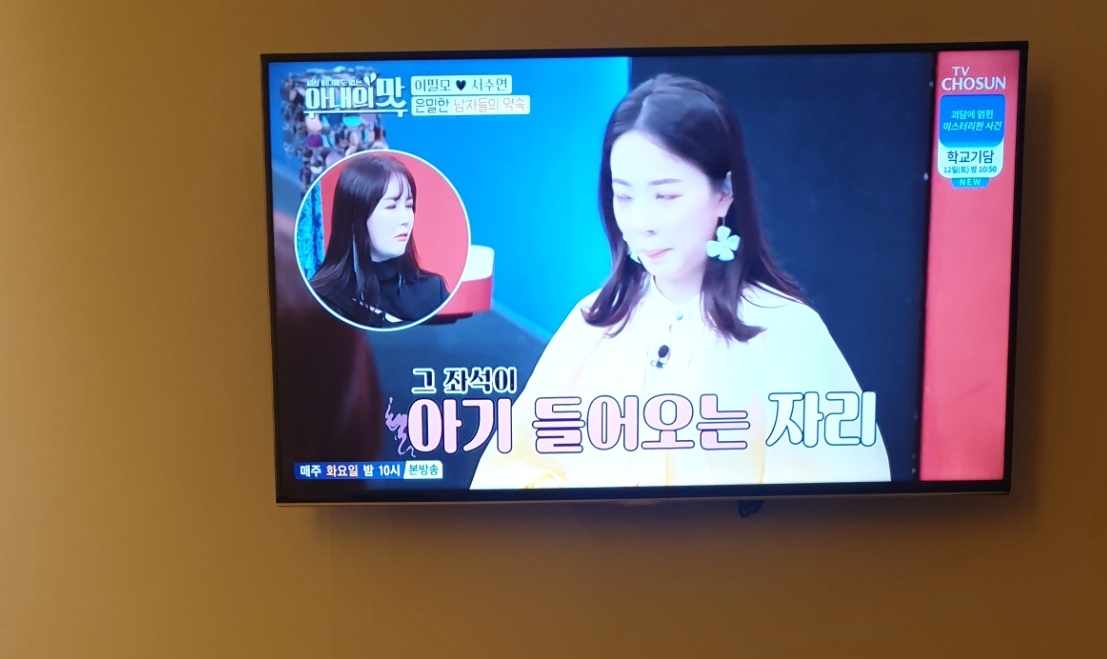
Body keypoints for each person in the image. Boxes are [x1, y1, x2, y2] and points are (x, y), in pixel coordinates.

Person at [471, 74, 891, 488]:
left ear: (724, 193)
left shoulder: (784, 329)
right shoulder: (592, 323)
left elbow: (847, 495)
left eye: (666, 196)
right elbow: (507, 476)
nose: (642, 222)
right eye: (624, 196)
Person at [308, 152, 450, 329]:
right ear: (355, 217)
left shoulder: (433, 291)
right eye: (391, 206)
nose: (405, 219)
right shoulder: (321, 299)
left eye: (409, 205)